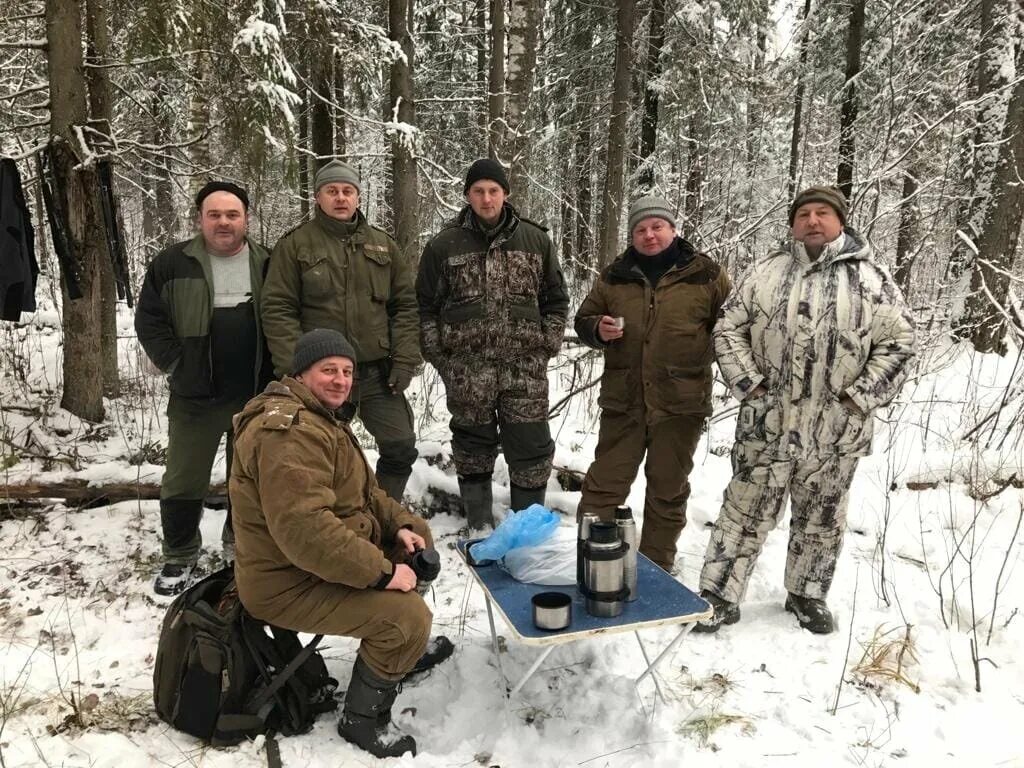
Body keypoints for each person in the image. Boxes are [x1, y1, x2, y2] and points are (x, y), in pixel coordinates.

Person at [695, 186, 916, 634]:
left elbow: (901, 343)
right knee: (743, 509)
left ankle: (807, 594)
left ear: (840, 221)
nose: (813, 221)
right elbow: (728, 328)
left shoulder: (872, 280)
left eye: (823, 213)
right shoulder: (766, 273)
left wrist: (859, 398)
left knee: (823, 516)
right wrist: (750, 386)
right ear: (793, 224)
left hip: (835, 431)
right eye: (804, 214)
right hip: (767, 423)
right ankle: (718, 593)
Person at [230, 329, 453, 759]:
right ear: (301, 373)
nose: (340, 380)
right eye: (327, 370)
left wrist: (402, 526)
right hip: (287, 582)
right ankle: (363, 721)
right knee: (403, 618)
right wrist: (385, 573)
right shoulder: (288, 432)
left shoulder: (319, 417)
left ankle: (400, 654)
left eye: (347, 371)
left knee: (417, 543)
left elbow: (367, 497)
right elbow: (306, 532)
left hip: (312, 564)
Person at [574, 195, 731, 572]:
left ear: (673, 229)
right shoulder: (615, 275)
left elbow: (733, 329)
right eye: (640, 229)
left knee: (667, 488)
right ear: (632, 236)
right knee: (603, 485)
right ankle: (595, 563)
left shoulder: (706, 275)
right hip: (623, 401)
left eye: (657, 226)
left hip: (681, 404)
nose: (649, 235)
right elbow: (584, 319)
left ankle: (657, 566)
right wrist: (598, 328)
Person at [135, 181, 272, 596]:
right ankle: (179, 554)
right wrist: (177, 364)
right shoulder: (173, 263)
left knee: (248, 478)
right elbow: (149, 321)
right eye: (215, 215)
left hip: (254, 393)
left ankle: (241, 546)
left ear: (246, 218)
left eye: (233, 214)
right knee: (182, 479)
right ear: (200, 219)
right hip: (196, 396)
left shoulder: (268, 262)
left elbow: (286, 314)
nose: (224, 222)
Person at [416, 158, 569, 528]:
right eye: (479, 191)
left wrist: (545, 345)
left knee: (531, 452)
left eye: (493, 190)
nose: (487, 199)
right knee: (472, 450)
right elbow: (425, 308)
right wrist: (444, 360)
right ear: (468, 195)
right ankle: (480, 526)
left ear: (506, 193)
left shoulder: (535, 240)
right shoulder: (444, 245)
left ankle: (526, 532)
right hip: (468, 371)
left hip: (524, 372)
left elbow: (556, 300)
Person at [261, 160, 419, 502]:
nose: (341, 198)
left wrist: (405, 360)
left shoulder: (383, 246)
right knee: (320, 455)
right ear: (318, 197)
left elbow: (405, 306)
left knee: (401, 447)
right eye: (332, 191)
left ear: (358, 198)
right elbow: (277, 308)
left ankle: (382, 515)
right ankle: (332, 524)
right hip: (320, 376)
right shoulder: (295, 246)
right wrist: (296, 370)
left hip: (377, 372)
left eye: (348, 191)